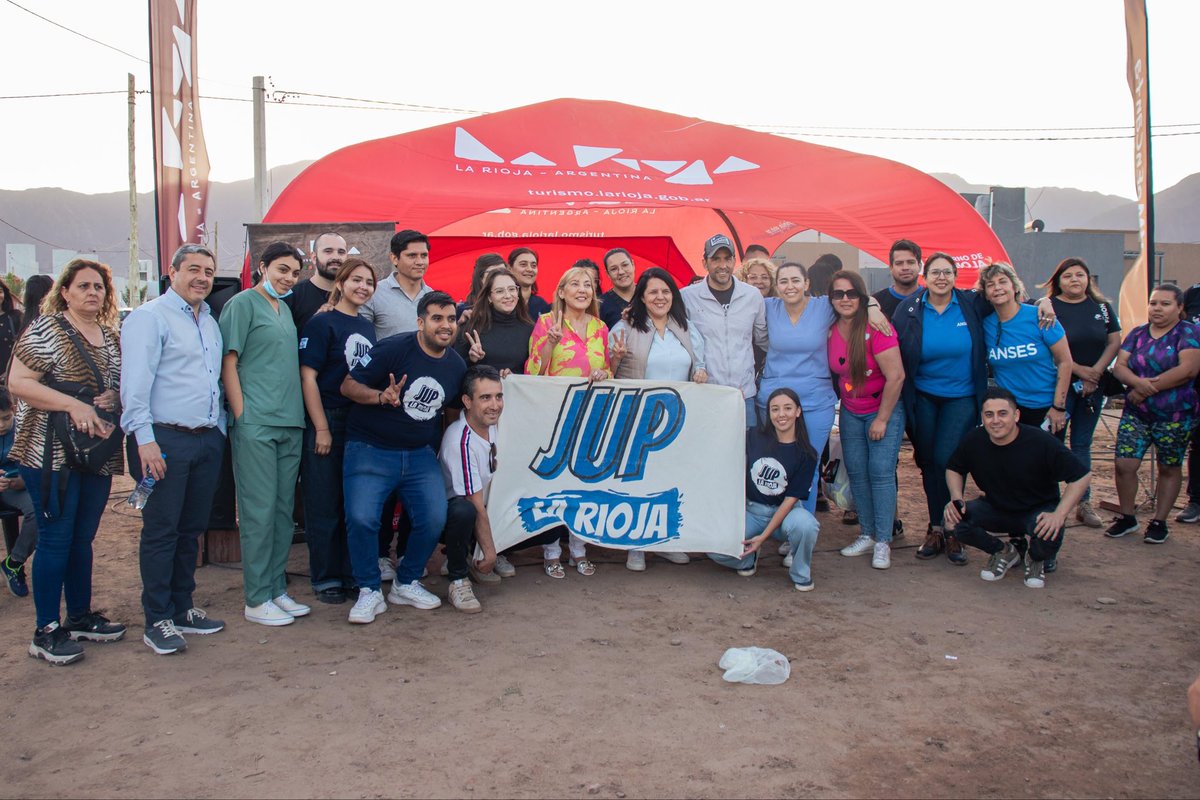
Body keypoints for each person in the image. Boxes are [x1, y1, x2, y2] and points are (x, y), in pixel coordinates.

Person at [8, 258, 126, 664]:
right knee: (56, 538)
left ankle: (78, 616)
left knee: (82, 538)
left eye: (99, 287)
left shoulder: (111, 337)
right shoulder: (47, 330)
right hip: (48, 452)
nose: (93, 292)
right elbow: (18, 382)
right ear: (65, 292)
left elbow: (117, 385)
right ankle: (45, 630)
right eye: (84, 286)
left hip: (96, 451)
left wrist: (115, 396)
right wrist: (72, 404)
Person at [120, 243, 227, 654]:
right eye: (194, 269)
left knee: (191, 529)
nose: (202, 278)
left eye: (209, 272)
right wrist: (145, 441)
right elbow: (135, 385)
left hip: (205, 439)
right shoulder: (150, 318)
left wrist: (217, 431)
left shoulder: (209, 321)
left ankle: (183, 607)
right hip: (164, 440)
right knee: (162, 531)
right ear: (172, 271)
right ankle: (158, 618)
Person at [341, 291, 467, 621]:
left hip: (419, 453)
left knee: (434, 518)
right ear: (420, 322)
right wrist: (380, 396)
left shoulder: (456, 365)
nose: (445, 325)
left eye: (451, 319)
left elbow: (453, 411)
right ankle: (368, 590)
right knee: (362, 518)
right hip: (370, 448)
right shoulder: (393, 348)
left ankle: (406, 582)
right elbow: (348, 386)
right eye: (437, 318)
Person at [220, 241, 309, 626]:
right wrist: (242, 415)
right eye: (282, 269)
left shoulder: (284, 309)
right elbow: (229, 362)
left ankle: (275, 589)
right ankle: (256, 598)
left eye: (295, 273)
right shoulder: (242, 304)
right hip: (256, 423)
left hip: (290, 422)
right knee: (258, 512)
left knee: (282, 513)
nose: (289, 278)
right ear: (263, 266)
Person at [757, 262, 889, 517]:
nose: (790, 286)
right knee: (775, 463)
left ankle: (802, 524)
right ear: (777, 286)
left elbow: (858, 299)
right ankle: (775, 524)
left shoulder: (823, 307)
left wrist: (873, 309)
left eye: (796, 280)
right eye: (783, 281)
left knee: (809, 463)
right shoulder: (767, 307)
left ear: (806, 283)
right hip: (774, 399)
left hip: (815, 399)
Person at [608, 267, 705, 571]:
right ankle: (635, 546)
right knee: (639, 483)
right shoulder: (624, 327)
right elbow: (608, 372)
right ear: (642, 297)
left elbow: (699, 364)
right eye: (653, 292)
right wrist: (615, 358)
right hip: (637, 420)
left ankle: (665, 542)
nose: (660, 297)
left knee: (671, 481)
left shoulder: (686, 328)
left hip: (676, 422)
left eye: (666, 291)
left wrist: (701, 373)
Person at [893, 252, 988, 565]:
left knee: (947, 459)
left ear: (956, 276)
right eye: (935, 272)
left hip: (962, 396)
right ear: (925, 276)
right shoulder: (910, 308)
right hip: (922, 396)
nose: (941, 278)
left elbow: (1011, 299)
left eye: (947, 272)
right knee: (927, 461)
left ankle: (953, 529)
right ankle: (935, 528)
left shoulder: (972, 304)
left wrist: (1044, 304)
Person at [944, 387, 1090, 589]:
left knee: (1050, 532)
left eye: (1002, 413)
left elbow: (1082, 476)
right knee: (954, 520)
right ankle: (1004, 551)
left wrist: (1060, 514)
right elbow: (954, 468)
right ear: (982, 417)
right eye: (989, 414)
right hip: (997, 508)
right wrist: (956, 498)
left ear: (1016, 415)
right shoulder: (975, 439)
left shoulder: (1040, 441)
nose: (996, 420)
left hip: (1036, 511)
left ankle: (1035, 558)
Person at [298, 258, 377, 605]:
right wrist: (321, 427)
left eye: (369, 282)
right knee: (323, 503)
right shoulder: (321, 323)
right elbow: (308, 377)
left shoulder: (367, 327)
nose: (363, 287)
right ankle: (326, 577)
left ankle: (350, 574)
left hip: (359, 421)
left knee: (352, 504)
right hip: (327, 418)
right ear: (341, 283)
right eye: (356, 279)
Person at [525, 266, 611, 577]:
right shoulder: (546, 322)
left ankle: (578, 549)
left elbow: (608, 370)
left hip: (590, 415)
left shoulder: (601, 327)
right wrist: (549, 343)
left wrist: (604, 372)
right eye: (574, 284)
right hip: (553, 416)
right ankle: (551, 551)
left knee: (583, 484)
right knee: (553, 486)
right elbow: (533, 372)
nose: (582, 290)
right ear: (561, 292)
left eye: (587, 285)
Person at [1107, 284, 1200, 543]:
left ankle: (1159, 522)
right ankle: (1127, 517)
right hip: (1136, 412)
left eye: (1165, 304)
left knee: (1168, 467)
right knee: (1124, 464)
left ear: (1180, 307)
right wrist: (1138, 385)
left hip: (1175, 415)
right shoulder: (1137, 333)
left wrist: (1146, 389)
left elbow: (1188, 370)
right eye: (1153, 303)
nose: (1157, 308)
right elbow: (1120, 366)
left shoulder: (1189, 333)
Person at [829, 270, 906, 570]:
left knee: (880, 472)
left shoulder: (877, 326)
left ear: (862, 296)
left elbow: (896, 376)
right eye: (838, 294)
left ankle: (883, 540)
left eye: (852, 293)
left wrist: (882, 419)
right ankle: (867, 534)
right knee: (858, 472)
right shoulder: (830, 328)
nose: (845, 299)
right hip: (851, 410)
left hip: (882, 409)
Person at [708, 388, 821, 591]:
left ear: (798, 411)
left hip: (786, 515)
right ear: (768, 413)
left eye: (787, 408)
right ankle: (748, 560)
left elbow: (790, 500)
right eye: (775, 409)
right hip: (753, 511)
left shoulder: (807, 454)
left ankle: (800, 572)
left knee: (806, 525)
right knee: (713, 546)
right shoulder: (755, 437)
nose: (781, 414)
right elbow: (723, 438)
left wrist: (763, 537)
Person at [1041, 257, 1122, 528]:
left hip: (1092, 387)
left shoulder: (1102, 308)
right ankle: (1050, 501)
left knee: (1081, 444)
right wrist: (1077, 370)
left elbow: (1114, 341)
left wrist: (1095, 372)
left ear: (1088, 279)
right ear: (1058, 281)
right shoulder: (1049, 307)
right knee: (1053, 443)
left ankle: (1083, 502)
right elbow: (1046, 346)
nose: (1074, 280)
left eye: (1079, 275)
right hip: (1058, 387)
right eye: (1068, 276)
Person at [435, 366, 506, 615]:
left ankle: (477, 554)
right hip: (448, 516)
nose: (494, 405)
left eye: (499, 396)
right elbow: (474, 503)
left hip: (483, 502)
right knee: (464, 511)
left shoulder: (494, 424)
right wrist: (490, 553)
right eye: (485, 397)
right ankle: (458, 577)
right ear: (467, 401)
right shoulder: (460, 441)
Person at [681, 234, 768, 427]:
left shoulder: (752, 296)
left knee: (745, 445)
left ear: (735, 261)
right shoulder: (687, 297)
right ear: (705, 263)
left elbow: (763, 339)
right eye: (716, 259)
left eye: (727, 259)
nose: (723, 265)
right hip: (705, 393)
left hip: (743, 395)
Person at [980, 262, 1072, 432]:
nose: (997, 288)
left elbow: (1065, 361)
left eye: (1002, 281)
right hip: (1010, 410)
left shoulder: (1040, 316)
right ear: (985, 294)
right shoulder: (985, 325)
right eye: (990, 285)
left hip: (1046, 407)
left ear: (1015, 287)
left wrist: (1058, 407)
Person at [455, 268, 534, 376]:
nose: (508, 295)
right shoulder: (471, 326)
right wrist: (472, 360)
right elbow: (455, 371)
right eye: (500, 291)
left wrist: (515, 377)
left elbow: (535, 372)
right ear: (489, 297)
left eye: (512, 289)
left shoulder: (530, 328)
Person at [360, 230, 434, 340]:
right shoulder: (374, 293)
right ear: (394, 258)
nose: (420, 262)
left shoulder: (432, 297)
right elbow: (360, 339)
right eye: (412, 255)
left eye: (424, 255)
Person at [0, 388, 37, 598]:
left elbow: (35, 464)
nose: (1, 425)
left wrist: (21, 481)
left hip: (14, 486)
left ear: (14, 409)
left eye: (6, 418)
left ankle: (13, 563)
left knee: (39, 509)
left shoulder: (25, 428)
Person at [284, 231, 347, 335]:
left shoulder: (353, 296)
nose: (336, 257)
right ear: (314, 257)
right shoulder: (293, 296)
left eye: (341, 252)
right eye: (328, 251)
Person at [873, 239, 922, 319]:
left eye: (910, 262)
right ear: (891, 268)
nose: (905, 267)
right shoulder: (876, 303)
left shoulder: (930, 298)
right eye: (899, 263)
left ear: (919, 266)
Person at [457, 253, 507, 320]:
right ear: (480, 278)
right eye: (492, 273)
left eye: (504, 271)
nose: (499, 277)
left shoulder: (515, 306)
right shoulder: (463, 310)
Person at [599, 248, 637, 328]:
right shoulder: (600, 305)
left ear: (633, 265)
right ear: (608, 274)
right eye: (614, 269)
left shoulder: (649, 295)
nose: (621, 272)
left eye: (625, 265)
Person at [508, 246, 551, 317]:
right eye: (523, 264)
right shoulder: (504, 302)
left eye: (533, 265)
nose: (530, 269)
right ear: (510, 269)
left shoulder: (542, 305)